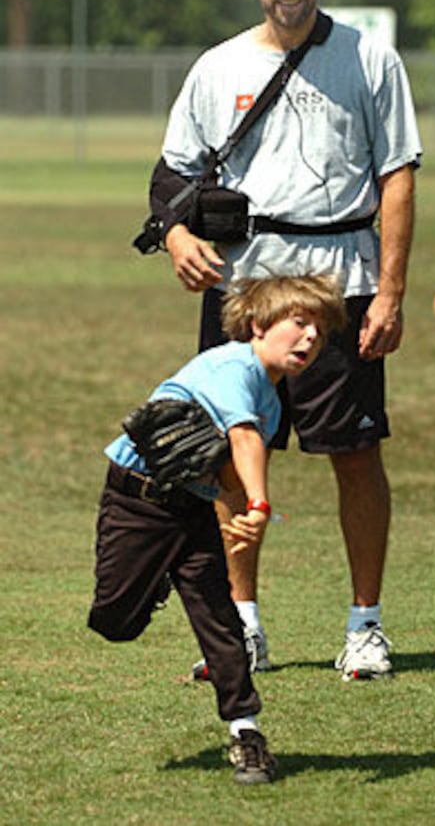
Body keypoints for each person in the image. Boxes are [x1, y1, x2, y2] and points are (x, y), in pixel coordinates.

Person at [146, 0, 422, 681]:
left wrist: (392, 291)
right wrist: (175, 238)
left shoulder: (370, 61)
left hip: (344, 279)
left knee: (355, 453)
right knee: (231, 458)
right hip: (244, 291)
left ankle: (364, 627)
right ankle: (243, 625)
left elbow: (397, 174)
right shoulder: (218, 66)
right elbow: (171, 175)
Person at [88, 273, 347, 785]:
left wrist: (239, 511)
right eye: (299, 323)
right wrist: (259, 503)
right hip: (138, 502)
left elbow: (227, 469)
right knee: (115, 621)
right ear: (257, 325)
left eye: (320, 330)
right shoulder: (234, 366)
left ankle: (246, 732)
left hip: (194, 508)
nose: (311, 338)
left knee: (220, 618)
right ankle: (158, 575)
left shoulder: (272, 402)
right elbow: (242, 439)